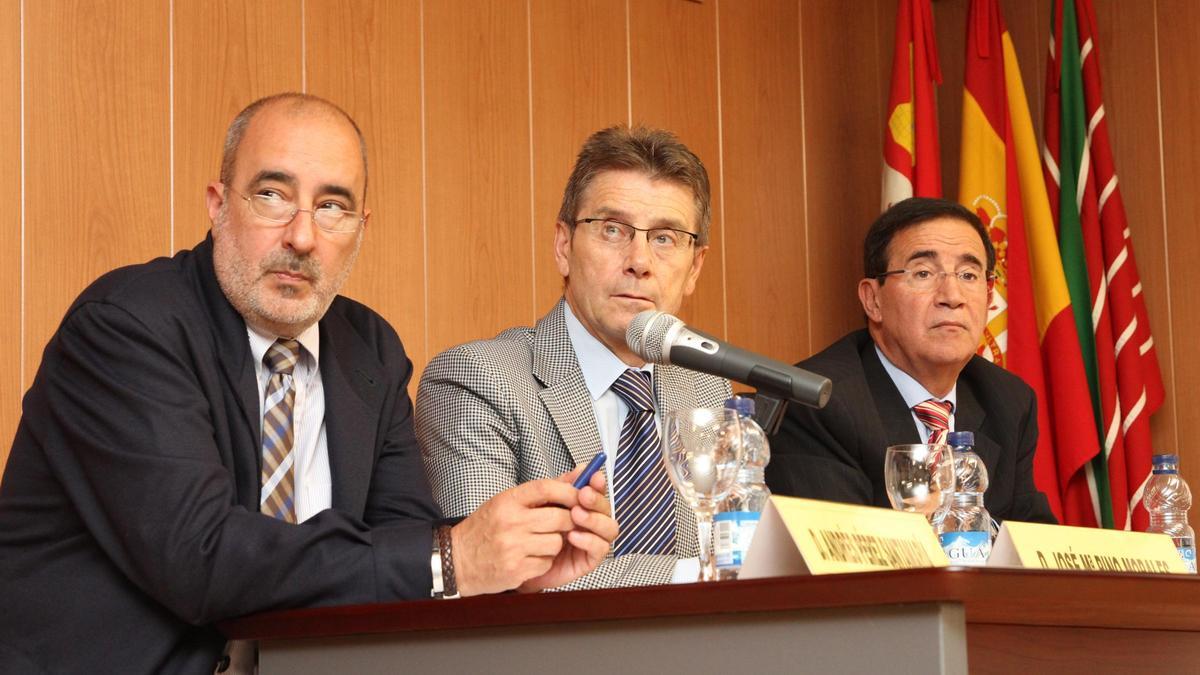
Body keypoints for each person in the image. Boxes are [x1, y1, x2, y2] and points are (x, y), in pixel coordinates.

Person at [0, 93, 616, 674]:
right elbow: (203, 558)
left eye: (331, 207)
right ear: (218, 206)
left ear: (361, 226)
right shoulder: (127, 329)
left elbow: (399, 554)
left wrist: (506, 574)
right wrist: (451, 560)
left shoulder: (369, 348)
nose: (301, 237)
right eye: (272, 195)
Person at [417, 125, 730, 588]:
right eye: (612, 230)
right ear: (564, 246)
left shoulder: (706, 387)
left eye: (664, 238)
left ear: (694, 268)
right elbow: (498, 579)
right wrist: (712, 574)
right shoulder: (476, 380)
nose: (639, 260)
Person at [766, 197, 1056, 524]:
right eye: (923, 273)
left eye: (969, 275)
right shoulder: (818, 402)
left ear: (990, 299)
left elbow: (1031, 541)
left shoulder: (1008, 400)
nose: (952, 296)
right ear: (873, 300)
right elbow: (843, 555)